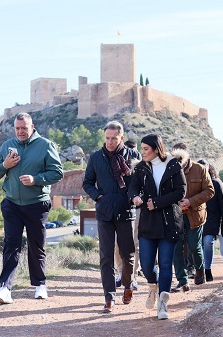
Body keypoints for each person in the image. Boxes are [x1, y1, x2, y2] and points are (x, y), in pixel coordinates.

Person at [0, 113, 64, 304]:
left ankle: (40, 285)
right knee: (11, 245)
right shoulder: (7, 146)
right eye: (17, 128)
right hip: (12, 203)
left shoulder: (45, 145)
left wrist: (36, 179)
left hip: (37, 204)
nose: (20, 131)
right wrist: (5, 165)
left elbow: (57, 173)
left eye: (24, 128)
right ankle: (5, 288)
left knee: (36, 245)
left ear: (32, 127)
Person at [82, 121, 141, 313]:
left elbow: (140, 183)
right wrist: (98, 197)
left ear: (121, 138)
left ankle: (128, 285)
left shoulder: (134, 156)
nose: (110, 142)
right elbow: (87, 183)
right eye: (107, 138)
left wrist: (133, 198)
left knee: (128, 253)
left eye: (114, 138)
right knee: (106, 256)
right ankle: (109, 297)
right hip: (104, 212)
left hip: (126, 211)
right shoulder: (96, 157)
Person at [128, 134, 186, 320]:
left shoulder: (173, 165)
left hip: (170, 222)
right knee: (146, 265)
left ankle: (163, 303)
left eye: (146, 149)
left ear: (156, 149)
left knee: (166, 264)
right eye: (142, 149)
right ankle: (153, 286)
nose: (143, 152)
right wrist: (135, 197)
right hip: (148, 222)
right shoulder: (141, 167)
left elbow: (181, 191)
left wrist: (158, 202)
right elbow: (133, 187)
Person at [170, 143, 214, 292]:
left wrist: (190, 201)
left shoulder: (200, 169)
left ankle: (200, 269)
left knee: (194, 246)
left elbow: (209, 191)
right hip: (175, 215)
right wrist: (176, 204)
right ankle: (182, 280)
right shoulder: (169, 170)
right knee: (177, 249)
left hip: (195, 215)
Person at [114, 139, 141, 290]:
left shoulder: (138, 161)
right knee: (117, 244)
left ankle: (132, 276)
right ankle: (120, 273)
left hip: (135, 207)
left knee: (134, 243)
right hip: (117, 206)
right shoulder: (111, 159)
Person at [199, 161, 223, 282]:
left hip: (212, 219)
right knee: (198, 246)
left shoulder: (216, 184)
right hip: (196, 219)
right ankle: (199, 270)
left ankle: (207, 269)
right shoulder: (193, 183)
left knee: (208, 242)